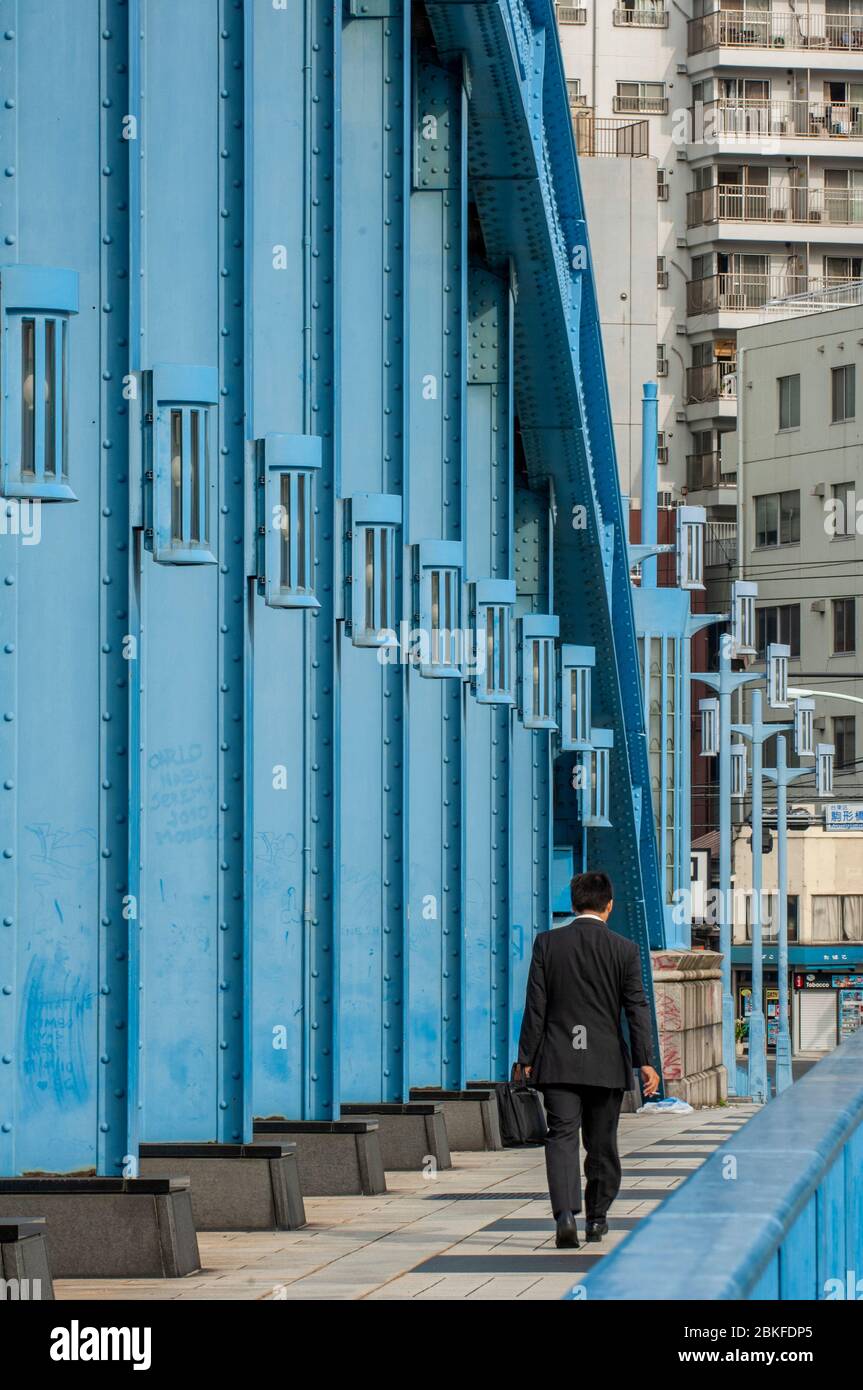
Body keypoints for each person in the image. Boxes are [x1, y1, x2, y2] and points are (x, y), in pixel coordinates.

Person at [517, 870, 660, 1249]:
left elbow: (536, 1006)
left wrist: (526, 1057)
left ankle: (565, 1214)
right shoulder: (624, 950)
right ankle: (596, 1218)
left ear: (573, 902)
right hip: (605, 1062)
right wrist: (646, 1060)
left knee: (561, 1136)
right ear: (609, 906)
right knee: (601, 1143)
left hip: (558, 1061)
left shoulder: (547, 944)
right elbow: (636, 1007)